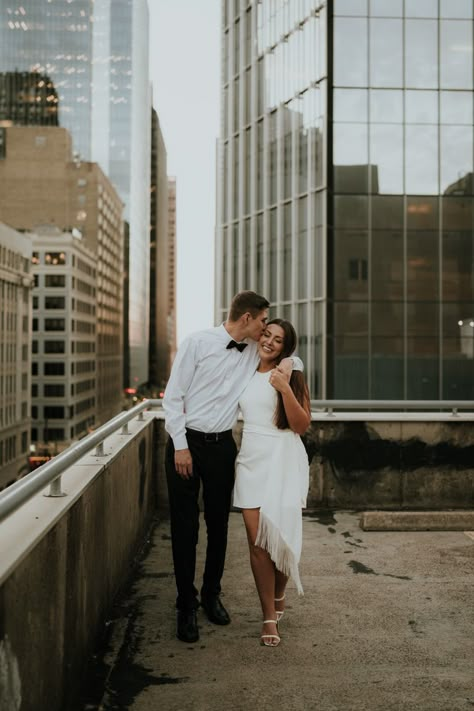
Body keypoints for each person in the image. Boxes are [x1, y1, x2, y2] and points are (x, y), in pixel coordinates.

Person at [163, 291, 303, 643]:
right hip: (186, 444)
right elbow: (173, 396)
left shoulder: (253, 352)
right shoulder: (197, 343)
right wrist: (181, 446)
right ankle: (186, 605)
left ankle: (212, 594)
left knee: (218, 525)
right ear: (247, 319)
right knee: (184, 527)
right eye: (262, 322)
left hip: (223, 447)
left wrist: (289, 364)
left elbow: (290, 359)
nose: (265, 329)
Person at [233, 318, 311, 647]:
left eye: (278, 340)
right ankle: (268, 615)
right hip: (251, 460)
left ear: (285, 347)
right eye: (267, 334)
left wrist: (283, 388)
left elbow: (301, 424)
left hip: (283, 459)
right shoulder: (243, 366)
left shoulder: (289, 371)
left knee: (277, 535)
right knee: (256, 543)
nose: (269, 342)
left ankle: (279, 594)